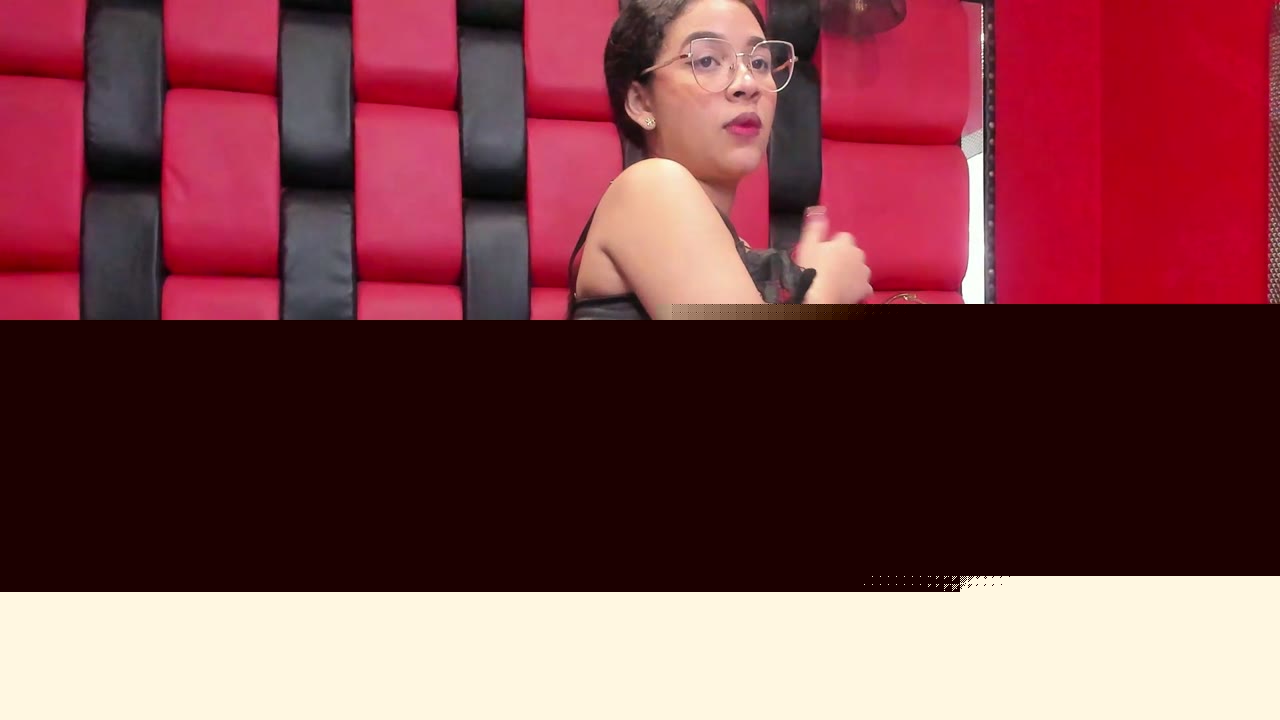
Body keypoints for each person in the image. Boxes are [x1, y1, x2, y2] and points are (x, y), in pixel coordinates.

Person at [568, 0, 874, 320]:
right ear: (640, 102)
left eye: (759, 63)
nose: (747, 84)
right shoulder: (650, 187)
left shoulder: (729, 249)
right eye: (707, 61)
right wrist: (827, 290)